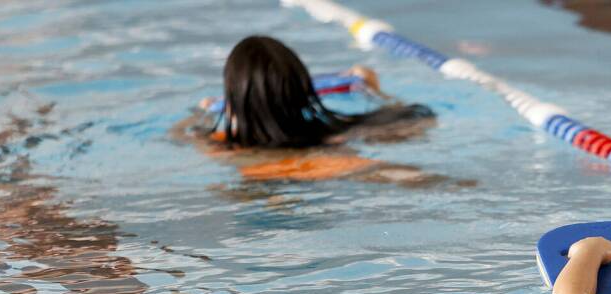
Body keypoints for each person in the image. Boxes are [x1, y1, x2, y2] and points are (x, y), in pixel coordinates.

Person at [173, 35, 455, 185]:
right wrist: (375, 90)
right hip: (321, 160)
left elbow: (180, 132)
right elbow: (419, 118)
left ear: (233, 96)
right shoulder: (337, 137)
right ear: (303, 87)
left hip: (256, 178)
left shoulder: (216, 144)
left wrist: (203, 112)